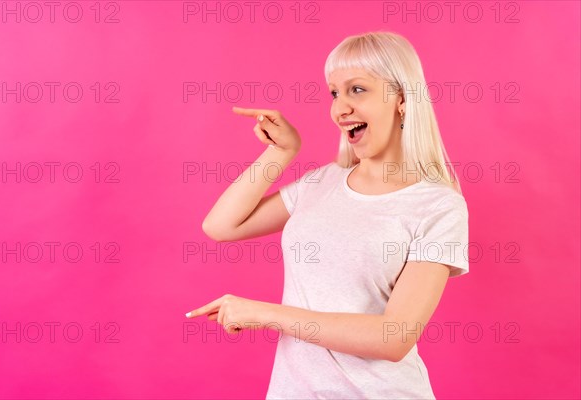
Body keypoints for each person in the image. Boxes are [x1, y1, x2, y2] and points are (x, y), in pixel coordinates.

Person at [186, 31, 469, 399]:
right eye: (334, 92)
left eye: (357, 89)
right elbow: (221, 226)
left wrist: (267, 314)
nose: (340, 108)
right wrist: (282, 152)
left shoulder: (437, 206)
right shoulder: (322, 182)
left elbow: (394, 337)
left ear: (401, 98)